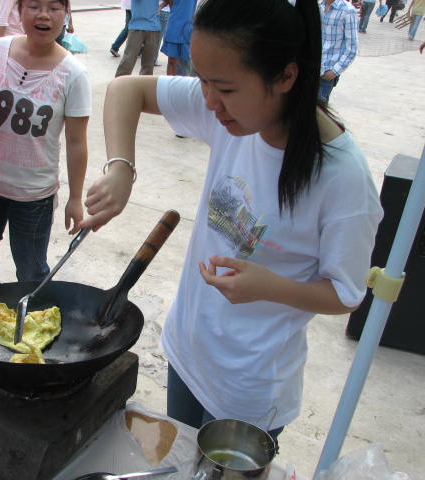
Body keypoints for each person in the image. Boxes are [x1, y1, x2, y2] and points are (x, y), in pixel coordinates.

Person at [79, 0, 383, 440]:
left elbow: (346, 293)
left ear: (286, 76)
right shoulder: (229, 111)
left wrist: (270, 287)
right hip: (189, 350)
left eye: (223, 88)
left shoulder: (342, 178)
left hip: (249, 386)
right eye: (201, 81)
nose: (208, 102)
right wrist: (121, 167)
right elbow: (126, 90)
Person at [0, 0, 90, 287]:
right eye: (33, 5)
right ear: (18, 11)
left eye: (54, 7)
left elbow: (77, 141)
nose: (43, 15)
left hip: (34, 196)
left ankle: (31, 322)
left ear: (66, 12)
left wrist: (75, 198)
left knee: (30, 269)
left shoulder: (74, 74)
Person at [319, 0, 358, 103]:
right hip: (312, 69)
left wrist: (335, 70)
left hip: (326, 73)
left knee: (318, 113)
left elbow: (352, 48)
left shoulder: (348, 11)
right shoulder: (320, 6)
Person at [114, 0, 162, 77]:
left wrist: (159, 7)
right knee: (128, 60)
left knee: (148, 65)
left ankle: (143, 87)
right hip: (137, 27)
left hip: (153, 27)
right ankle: (118, 85)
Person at [161, 0, 197, 76]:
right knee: (171, 62)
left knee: (185, 64)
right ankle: (170, 86)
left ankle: (183, 86)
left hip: (187, 28)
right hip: (174, 26)